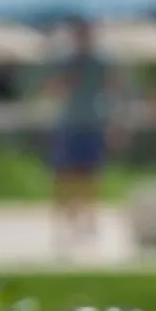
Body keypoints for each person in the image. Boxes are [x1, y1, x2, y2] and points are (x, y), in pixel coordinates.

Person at [46, 17, 119, 255]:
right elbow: (53, 90)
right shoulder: (66, 62)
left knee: (91, 175)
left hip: (93, 122)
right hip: (70, 123)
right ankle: (66, 222)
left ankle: (88, 221)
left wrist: (114, 123)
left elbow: (112, 93)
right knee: (64, 175)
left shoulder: (101, 62)